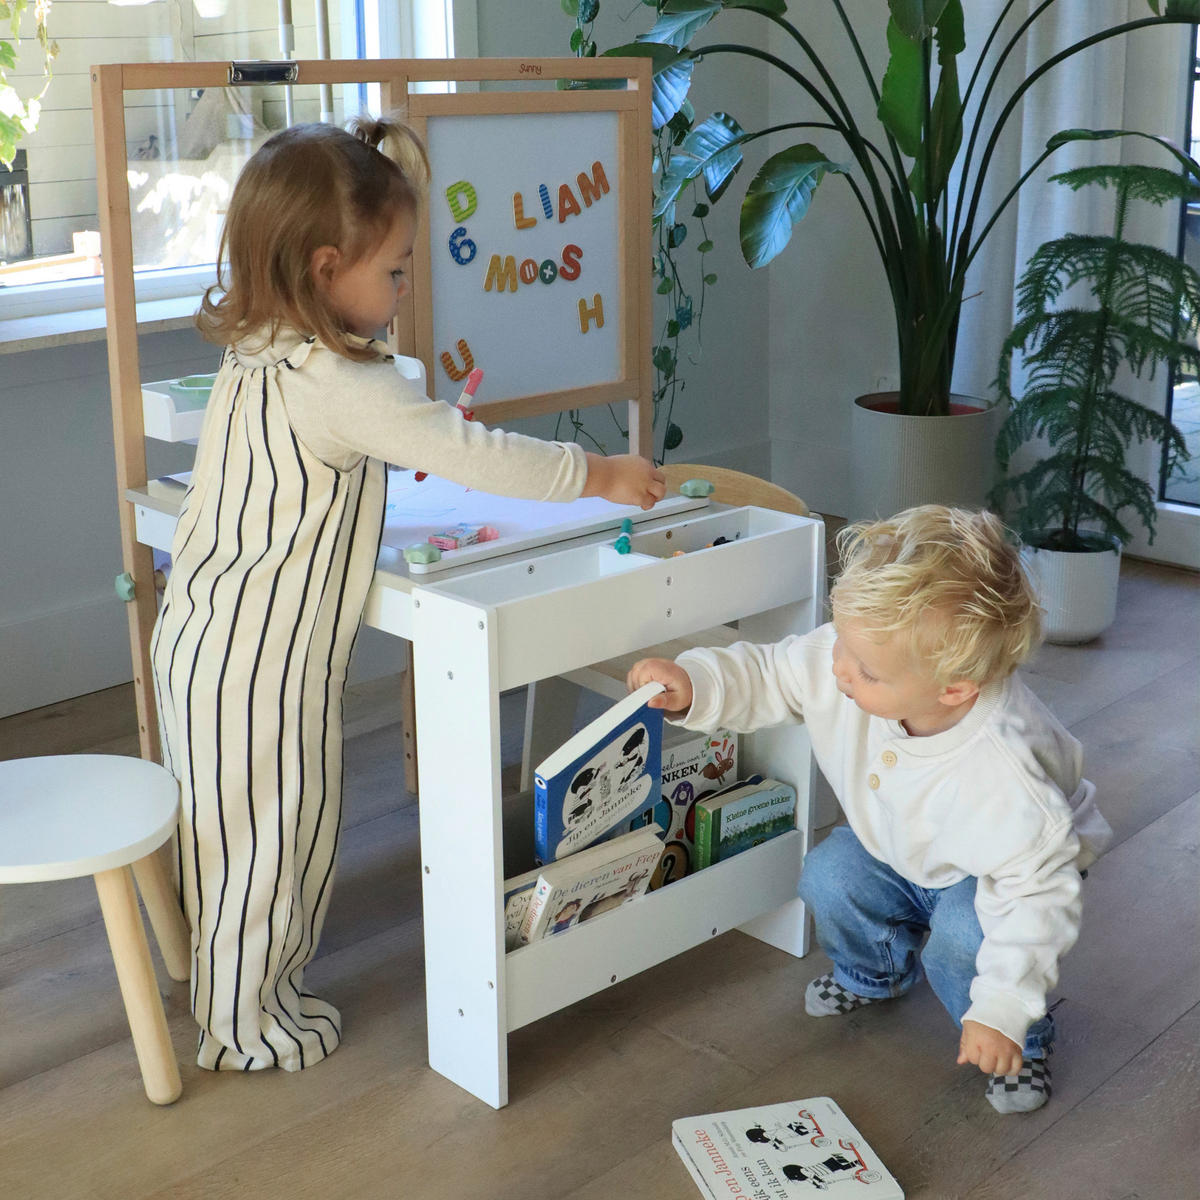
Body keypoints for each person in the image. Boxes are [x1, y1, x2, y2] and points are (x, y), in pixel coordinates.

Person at [151, 117, 665, 1073]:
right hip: (262, 659)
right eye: (392, 273)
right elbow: (472, 450)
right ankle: (246, 1024)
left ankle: (227, 985)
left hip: (202, 634)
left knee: (228, 831)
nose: (403, 290)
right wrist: (599, 472)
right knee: (276, 839)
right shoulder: (341, 377)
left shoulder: (259, 345)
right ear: (324, 266)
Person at [627, 506, 1111, 1114]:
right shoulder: (855, 656)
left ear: (954, 689)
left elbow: (1037, 894)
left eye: (864, 669)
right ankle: (872, 972)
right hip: (901, 842)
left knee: (966, 937)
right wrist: (698, 683)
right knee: (829, 877)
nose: (837, 670)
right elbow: (773, 670)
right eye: (841, 643)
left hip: (1006, 873)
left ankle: (1022, 1042)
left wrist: (1006, 1008)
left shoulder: (1002, 772)